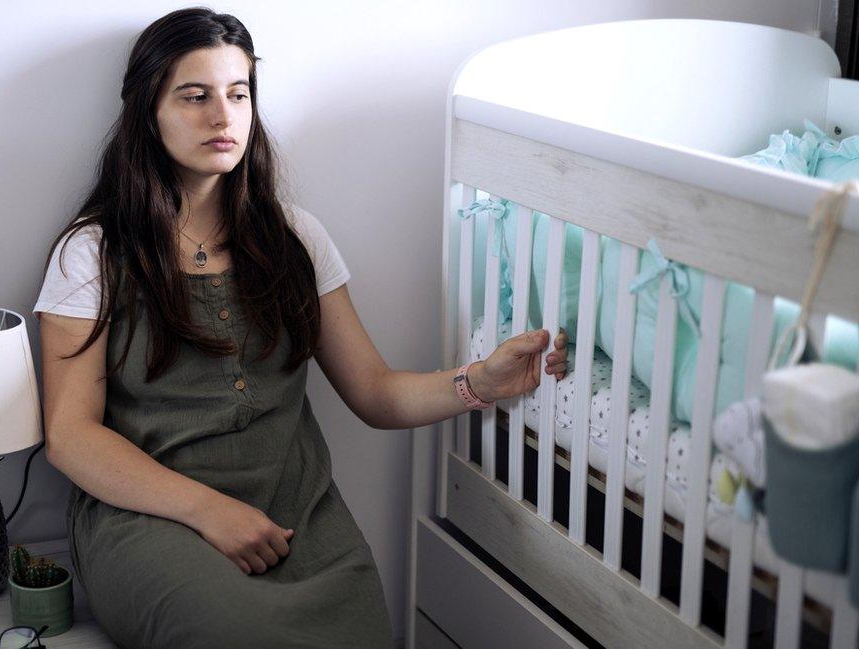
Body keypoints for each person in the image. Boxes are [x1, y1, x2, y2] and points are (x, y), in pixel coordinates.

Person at [33, 7, 568, 649]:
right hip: (150, 519)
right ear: (148, 110)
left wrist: (481, 379)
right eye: (195, 96)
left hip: (297, 518)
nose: (223, 116)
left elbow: (375, 392)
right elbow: (70, 436)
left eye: (238, 94)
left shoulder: (294, 238)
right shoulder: (91, 252)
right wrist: (208, 510)